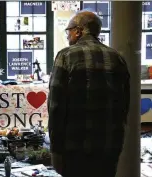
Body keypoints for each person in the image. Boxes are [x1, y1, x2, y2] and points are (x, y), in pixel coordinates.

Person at [47, 11, 130, 177]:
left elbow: (56, 107)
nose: (68, 35)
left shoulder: (66, 56)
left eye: (68, 31)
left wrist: (55, 150)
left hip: (75, 147)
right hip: (109, 146)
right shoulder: (117, 58)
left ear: (78, 31)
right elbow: (124, 105)